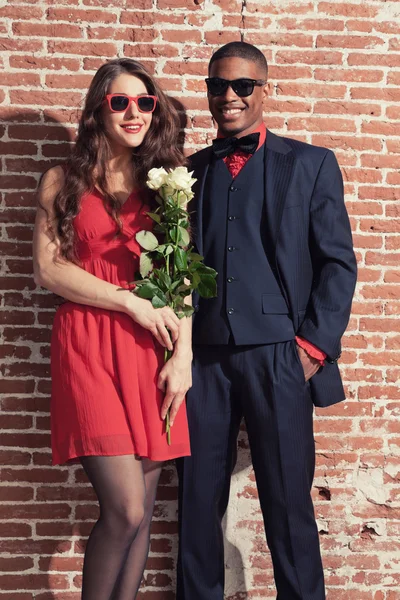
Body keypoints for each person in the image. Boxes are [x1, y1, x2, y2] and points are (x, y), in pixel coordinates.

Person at [176, 41, 357, 600]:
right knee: (197, 506)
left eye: (241, 86)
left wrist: (312, 348)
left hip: (281, 355)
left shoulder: (309, 164)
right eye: (216, 86)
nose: (227, 96)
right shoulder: (187, 173)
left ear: (263, 90)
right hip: (203, 361)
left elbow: (337, 263)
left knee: (287, 504)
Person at [33, 58, 192, 600]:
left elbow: (180, 283)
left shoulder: (165, 186)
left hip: (149, 351)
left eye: (145, 102)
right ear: (98, 110)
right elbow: (49, 269)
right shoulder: (63, 179)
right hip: (88, 345)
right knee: (123, 509)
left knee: (144, 513)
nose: (134, 112)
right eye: (120, 101)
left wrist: (183, 359)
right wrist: (129, 303)